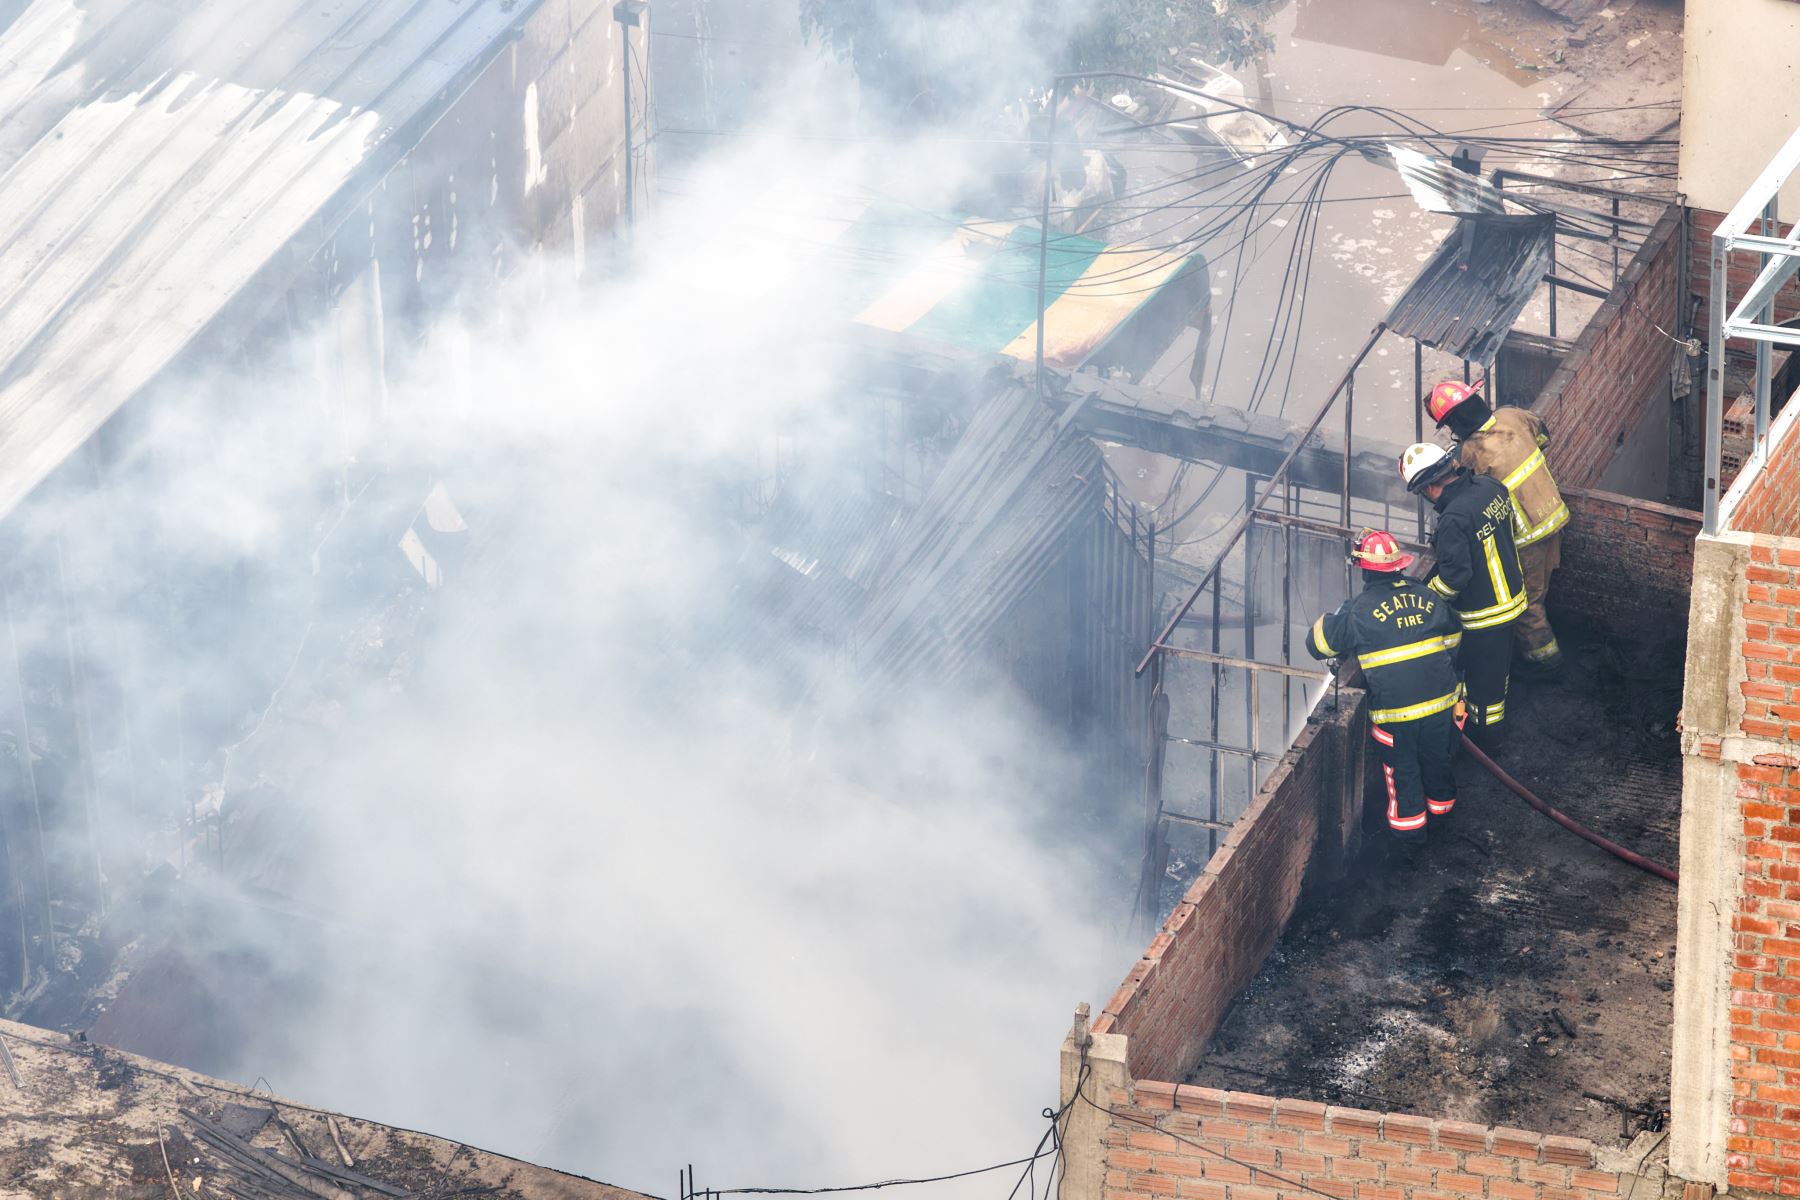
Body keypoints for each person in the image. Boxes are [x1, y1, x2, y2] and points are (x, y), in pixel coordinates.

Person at [1306, 529, 1462, 845]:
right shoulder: (1427, 596)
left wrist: (1338, 613)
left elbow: (1318, 644)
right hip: (1443, 704)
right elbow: (1454, 638)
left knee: (1403, 776)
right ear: (1401, 565)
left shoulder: (1359, 610)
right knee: (1437, 763)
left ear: (1364, 569)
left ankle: (1410, 847)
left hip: (1397, 714)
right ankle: (1443, 820)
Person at [1425, 380, 1569, 676]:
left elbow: (1470, 497)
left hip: (1528, 538)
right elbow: (1543, 436)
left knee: (1529, 606)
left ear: (1455, 422)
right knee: (1542, 587)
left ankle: (1546, 663)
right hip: (1555, 516)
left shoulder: (1469, 453)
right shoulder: (1513, 416)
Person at [1401, 442, 1526, 752]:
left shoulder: (1453, 520)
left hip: (1484, 616)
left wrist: (1427, 596)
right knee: (1497, 671)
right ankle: (1490, 719)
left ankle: (1488, 742)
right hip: (1513, 598)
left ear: (1429, 486)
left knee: (1483, 688)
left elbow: (1455, 578)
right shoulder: (1490, 487)